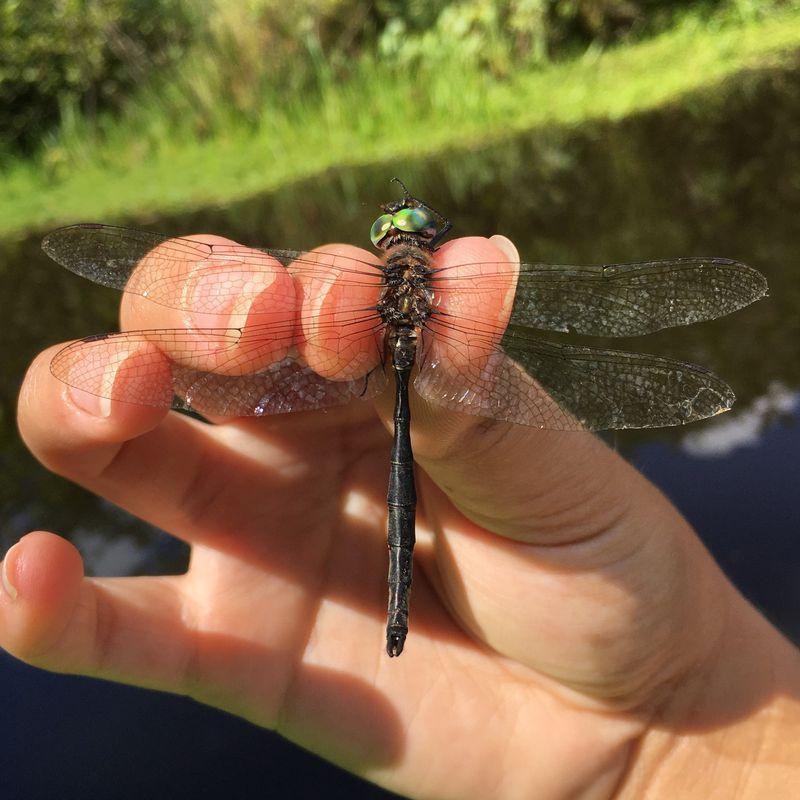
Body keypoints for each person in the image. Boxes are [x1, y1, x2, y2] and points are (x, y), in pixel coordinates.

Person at [4, 233, 799, 799]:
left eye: (404, 235)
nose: (405, 239)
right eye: (401, 233)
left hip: (666, 707)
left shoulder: (393, 299)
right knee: (238, 307)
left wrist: (669, 719)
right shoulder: (415, 298)